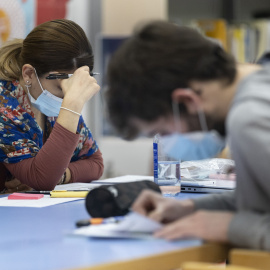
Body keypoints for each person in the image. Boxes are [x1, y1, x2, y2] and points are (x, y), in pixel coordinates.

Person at [106, 20, 270, 250]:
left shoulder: (250, 117)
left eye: (163, 132)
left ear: (187, 100)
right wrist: (190, 208)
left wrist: (229, 227)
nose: (167, 142)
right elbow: (259, 203)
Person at [0, 19, 104, 192]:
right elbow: (42, 178)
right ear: (29, 74)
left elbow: (95, 162)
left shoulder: (60, 104)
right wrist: (72, 104)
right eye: (60, 86)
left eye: (72, 87)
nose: (66, 96)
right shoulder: (5, 105)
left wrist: (62, 175)